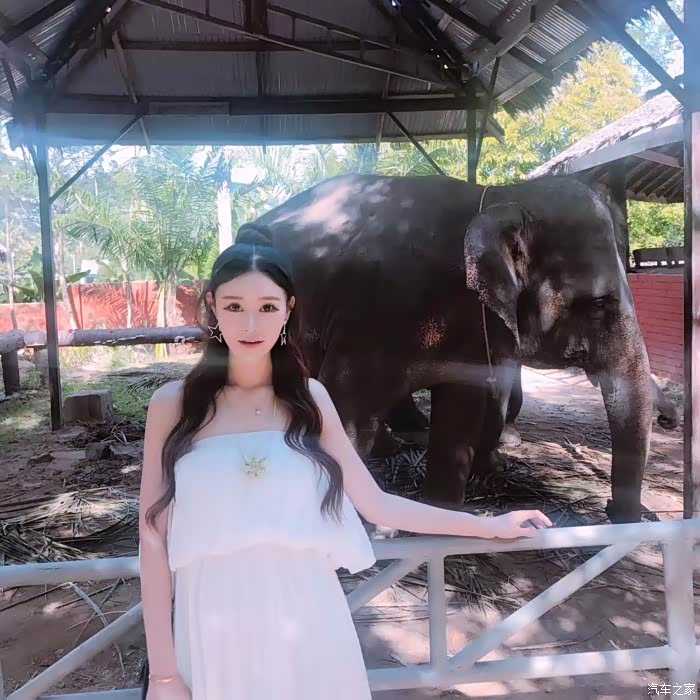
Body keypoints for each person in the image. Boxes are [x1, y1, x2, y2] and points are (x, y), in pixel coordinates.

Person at [138, 223, 552, 700]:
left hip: (309, 620)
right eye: (234, 307)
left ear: (289, 310)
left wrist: (488, 525)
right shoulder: (173, 406)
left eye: (267, 307)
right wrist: (164, 674)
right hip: (212, 625)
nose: (251, 325)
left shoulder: (309, 400)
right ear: (212, 306)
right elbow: (153, 538)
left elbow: (376, 503)